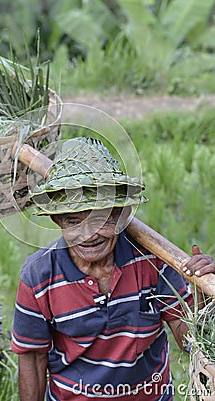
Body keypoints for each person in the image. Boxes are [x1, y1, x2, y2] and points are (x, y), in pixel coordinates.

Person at [11, 137, 215, 401]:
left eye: (102, 218)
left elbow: (187, 340)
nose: (90, 235)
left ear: (121, 214)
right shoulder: (38, 277)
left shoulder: (153, 260)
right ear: (57, 220)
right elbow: (33, 360)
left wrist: (204, 295)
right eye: (74, 221)